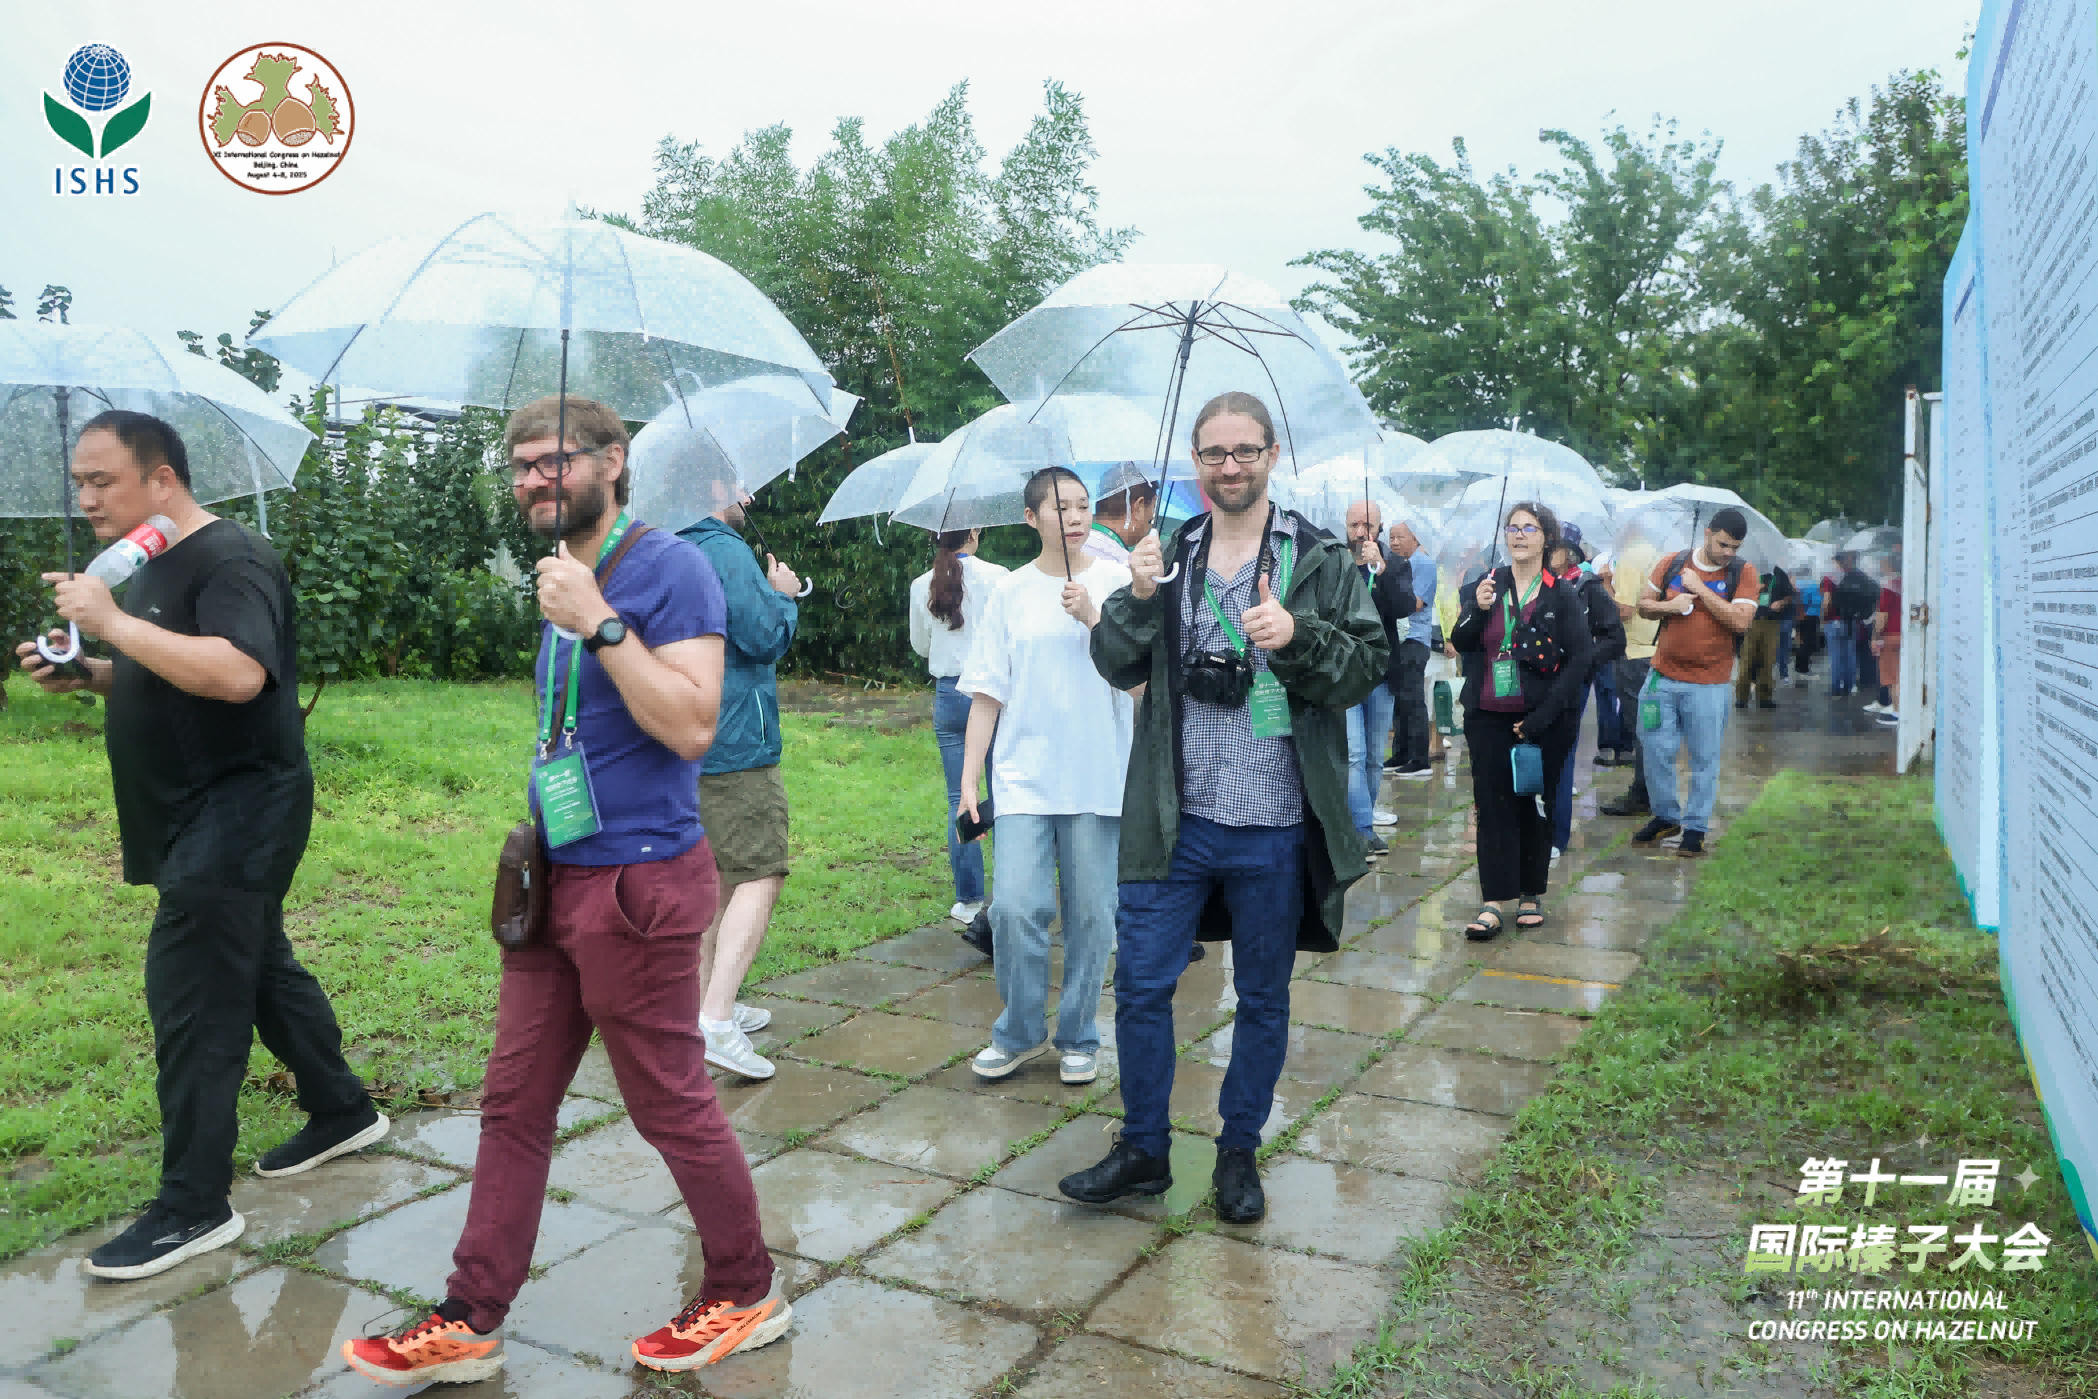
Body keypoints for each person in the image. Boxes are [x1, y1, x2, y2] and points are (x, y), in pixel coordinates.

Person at [344, 396, 787, 1385]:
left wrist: (601, 624)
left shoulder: (671, 568)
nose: (535, 481)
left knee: (669, 1102)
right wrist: (577, 608)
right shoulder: (560, 575)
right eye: (521, 467)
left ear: (612, 460)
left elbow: (692, 725)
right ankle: (470, 1314)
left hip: (638, 885)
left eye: (556, 462)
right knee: (512, 1104)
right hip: (554, 877)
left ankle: (745, 1289)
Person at [15, 411, 382, 1282]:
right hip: (188, 809)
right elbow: (168, 669)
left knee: (193, 995)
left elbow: (238, 671)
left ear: (162, 478)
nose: (86, 497)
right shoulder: (147, 563)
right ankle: (341, 1109)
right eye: (79, 480)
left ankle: (193, 1204)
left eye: (102, 479)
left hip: (243, 807)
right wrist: (90, 671)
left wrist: (109, 622)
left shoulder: (231, 557)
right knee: (256, 967)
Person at [1060, 391, 1387, 1224]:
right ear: (1196, 461)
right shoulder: (1168, 552)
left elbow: (1366, 663)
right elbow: (1114, 660)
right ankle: (1144, 1147)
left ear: (1271, 454)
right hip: (1174, 821)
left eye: (1245, 450)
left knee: (1263, 997)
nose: (1230, 465)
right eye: (1214, 452)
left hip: (1275, 825)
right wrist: (1136, 597)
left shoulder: (1318, 558)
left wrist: (1298, 637)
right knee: (1141, 985)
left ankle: (1238, 1149)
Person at [956, 468, 1133, 1087]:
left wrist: (1094, 619)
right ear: (1031, 518)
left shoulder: (1118, 583)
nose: (1076, 516)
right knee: (1013, 909)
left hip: (1098, 774)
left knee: (1092, 915)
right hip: (1023, 777)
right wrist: (969, 779)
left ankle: (1079, 1034)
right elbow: (987, 692)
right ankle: (1021, 1031)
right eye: (1061, 507)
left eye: (1083, 505)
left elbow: (1142, 684)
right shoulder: (1009, 592)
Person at [677, 478, 803, 1082]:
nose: (749, 500)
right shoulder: (724, 550)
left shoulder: (665, 543)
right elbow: (764, 635)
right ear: (713, 480)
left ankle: (700, 1008)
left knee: (717, 878)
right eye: (742, 485)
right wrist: (784, 596)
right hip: (736, 739)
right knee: (761, 872)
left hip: (685, 734)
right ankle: (717, 1020)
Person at [1449, 505, 1594, 937]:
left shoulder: (1560, 593)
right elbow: (1461, 640)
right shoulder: (1488, 584)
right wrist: (1477, 608)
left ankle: (1530, 893)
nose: (1519, 535)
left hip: (1540, 722)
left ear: (1546, 537)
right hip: (1487, 717)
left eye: (1529, 528)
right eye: (1512, 527)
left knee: (1532, 804)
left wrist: (1541, 719)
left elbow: (1579, 659)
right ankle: (1493, 901)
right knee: (1491, 807)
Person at [1631, 510, 1758, 858]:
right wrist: (1671, 606)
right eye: (1723, 544)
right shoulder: (1672, 562)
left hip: (1709, 685)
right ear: (1707, 533)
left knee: (1704, 759)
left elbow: (1741, 621)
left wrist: (1699, 588)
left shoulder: (1743, 572)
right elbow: (1643, 606)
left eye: (1735, 547)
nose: (1728, 552)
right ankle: (1666, 816)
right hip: (1660, 679)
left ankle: (1696, 828)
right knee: (1654, 750)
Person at [910, 529, 1010, 926]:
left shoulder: (922, 583)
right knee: (1004, 793)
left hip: (950, 693)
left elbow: (921, 646)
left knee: (959, 797)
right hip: (993, 692)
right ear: (974, 531)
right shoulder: (999, 576)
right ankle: (1010, 894)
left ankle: (969, 900)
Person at [1344, 499, 1398, 844]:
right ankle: (1361, 830)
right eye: (1355, 525)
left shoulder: (1394, 564)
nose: (1361, 532)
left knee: (1375, 757)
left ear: (1380, 529)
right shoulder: (1336, 561)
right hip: (1346, 672)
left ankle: (1365, 819)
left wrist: (1381, 568)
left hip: (1381, 675)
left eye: (1368, 525)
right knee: (1354, 754)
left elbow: (1403, 605)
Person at [1600, 535, 1662, 815]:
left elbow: (1623, 611)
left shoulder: (1630, 558)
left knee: (1641, 728)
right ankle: (1654, 791)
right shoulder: (1662, 555)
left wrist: (1605, 584)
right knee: (1654, 726)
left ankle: (1642, 795)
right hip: (1659, 651)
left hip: (1635, 654)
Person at [1381, 518, 1436, 780]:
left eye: (1400, 537)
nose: (1394, 542)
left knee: (1413, 700)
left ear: (1415, 538)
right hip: (1398, 640)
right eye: (1391, 537)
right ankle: (1401, 754)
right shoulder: (1396, 564)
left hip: (1414, 639)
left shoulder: (1422, 563)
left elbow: (1415, 603)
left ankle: (1420, 759)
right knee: (1400, 701)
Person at [1734, 563, 1794, 709]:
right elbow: (1735, 595)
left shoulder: (1779, 573)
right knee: (1746, 661)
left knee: (1768, 661)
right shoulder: (1747, 571)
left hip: (1771, 623)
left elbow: (1790, 596)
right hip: (1750, 623)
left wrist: (1782, 602)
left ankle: (1765, 698)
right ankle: (1742, 697)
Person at [1083, 462, 1157, 567]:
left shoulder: (1069, 546)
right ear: (1139, 508)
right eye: (1153, 509)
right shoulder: (1127, 567)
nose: (1151, 521)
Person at [1827, 551, 1878, 699]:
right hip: (1853, 620)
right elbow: (1875, 593)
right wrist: (1864, 614)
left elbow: (1827, 600)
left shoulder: (1833, 578)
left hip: (1836, 620)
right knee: (1850, 654)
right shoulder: (1860, 576)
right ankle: (1850, 685)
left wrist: (1824, 616)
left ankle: (1837, 686)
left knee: (1837, 655)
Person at [1868, 555, 1902, 725]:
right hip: (1907, 635)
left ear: (1889, 566)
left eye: (1882, 564)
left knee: (1892, 678)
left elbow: (1882, 616)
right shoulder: (1909, 584)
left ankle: (1898, 712)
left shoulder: (1888, 587)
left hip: (1890, 636)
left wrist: (1875, 637)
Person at [1794, 571, 1823, 685]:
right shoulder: (1812, 585)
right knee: (1807, 643)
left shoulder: (1797, 584)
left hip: (1798, 617)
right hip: (1810, 617)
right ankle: (1804, 670)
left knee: (1800, 642)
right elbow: (1817, 602)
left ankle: (1799, 667)